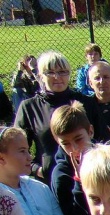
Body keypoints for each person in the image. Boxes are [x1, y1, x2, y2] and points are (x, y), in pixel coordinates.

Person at [14, 51, 96, 182]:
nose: (57, 77)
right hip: (49, 179)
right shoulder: (29, 107)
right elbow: (17, 148)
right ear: (40, 76)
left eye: (63, 72)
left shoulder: (87, 102)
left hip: (89, 177)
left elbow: (103, 139)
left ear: (69, 74)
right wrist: (36, 169)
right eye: (50, 72)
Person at [49, 102, 96, 215]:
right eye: (66, 143)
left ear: (90, 131)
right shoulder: (61, 175)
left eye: (78, 139)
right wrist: (79, 183)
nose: (74, 148)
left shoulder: (109, 157)